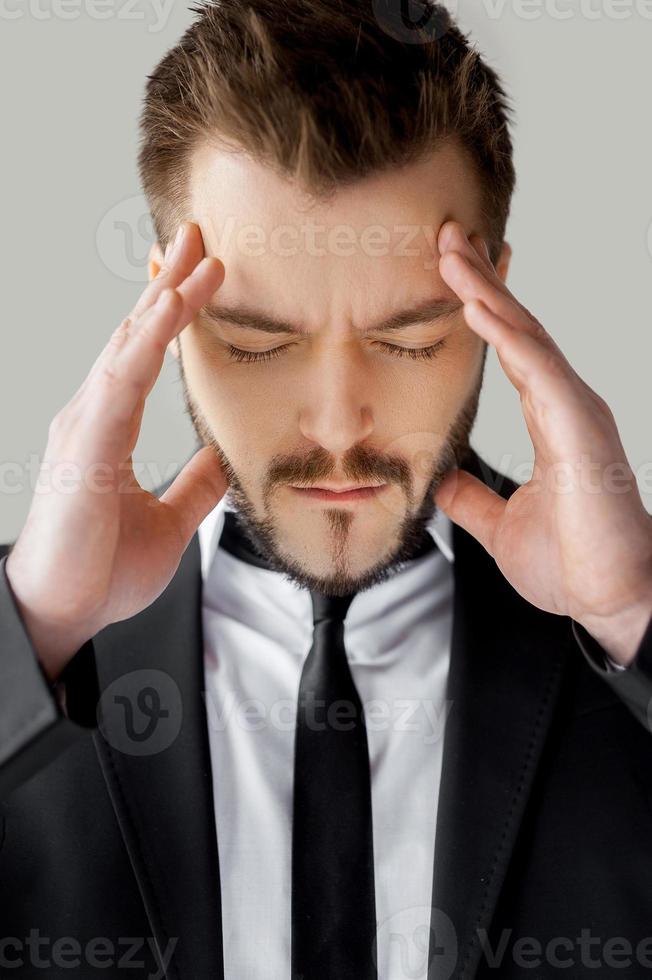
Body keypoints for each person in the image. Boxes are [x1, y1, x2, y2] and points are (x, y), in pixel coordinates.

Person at [1, 1, 651, 978]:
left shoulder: (617, 648)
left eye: (410, 338)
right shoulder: (41, 647)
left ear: (497, 301)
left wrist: (635, 613)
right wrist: (32, 630)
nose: (339, 421)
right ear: (164, 313)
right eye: (259, 341)